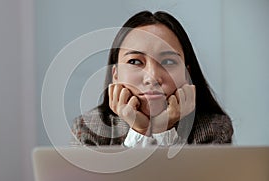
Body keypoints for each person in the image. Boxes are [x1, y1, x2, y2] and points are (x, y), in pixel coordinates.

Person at [71, 10, 233, 147]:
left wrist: (161, 130)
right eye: (135, 61)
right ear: (116, 75)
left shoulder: (214, 129)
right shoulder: (88, 129)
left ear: (186, 74)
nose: (153, 77)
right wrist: (140, 132)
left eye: (168, 61)